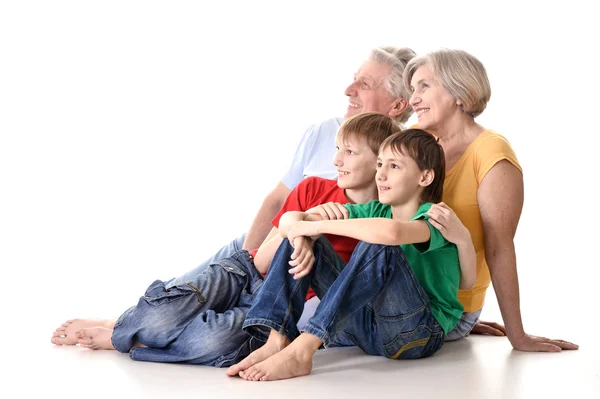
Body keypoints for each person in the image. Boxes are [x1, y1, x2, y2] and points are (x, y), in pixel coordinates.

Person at [51, 112, 402, 367]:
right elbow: (263, 260)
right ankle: (124, 327)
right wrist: (304, 227)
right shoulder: (312, 189)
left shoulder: (381, 219)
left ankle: (130, 337)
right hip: (248, 271)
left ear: (379, 163)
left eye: (350, 152)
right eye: (337, 148)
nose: (336, 160)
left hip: (279, 307)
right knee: (168, 313)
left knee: (212, 340)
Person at [227, 129, 476, 381]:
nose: (381, 174)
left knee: (378, 245)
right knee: (299, 238)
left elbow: (391, 233)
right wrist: (302, 233)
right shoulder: (375, 209)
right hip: (366, 330)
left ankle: (303, 349)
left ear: (425, 176)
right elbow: (293, 219)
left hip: (417, 334)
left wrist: (314, 227)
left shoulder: (438, 218)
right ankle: (277, 339)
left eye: (394, 166)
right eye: (380, 164)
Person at [170, 45, 416, 287]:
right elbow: (278, 199)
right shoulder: (324, 131)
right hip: (258, 245)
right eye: (354, 80)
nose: (348, 90)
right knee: (171, 295)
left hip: (303, 271)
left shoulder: (402, 161)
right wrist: (244, 268)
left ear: (397, 105)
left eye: (364, 85)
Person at [404, 49, 578, 350]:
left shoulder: (491, 155)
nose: (412, 99)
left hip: (442, 308)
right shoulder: (416, 139)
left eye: (424, 86)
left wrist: (516, 335)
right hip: (404, 291)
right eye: (412, 89)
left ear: (460, 92)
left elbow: (500, 247)